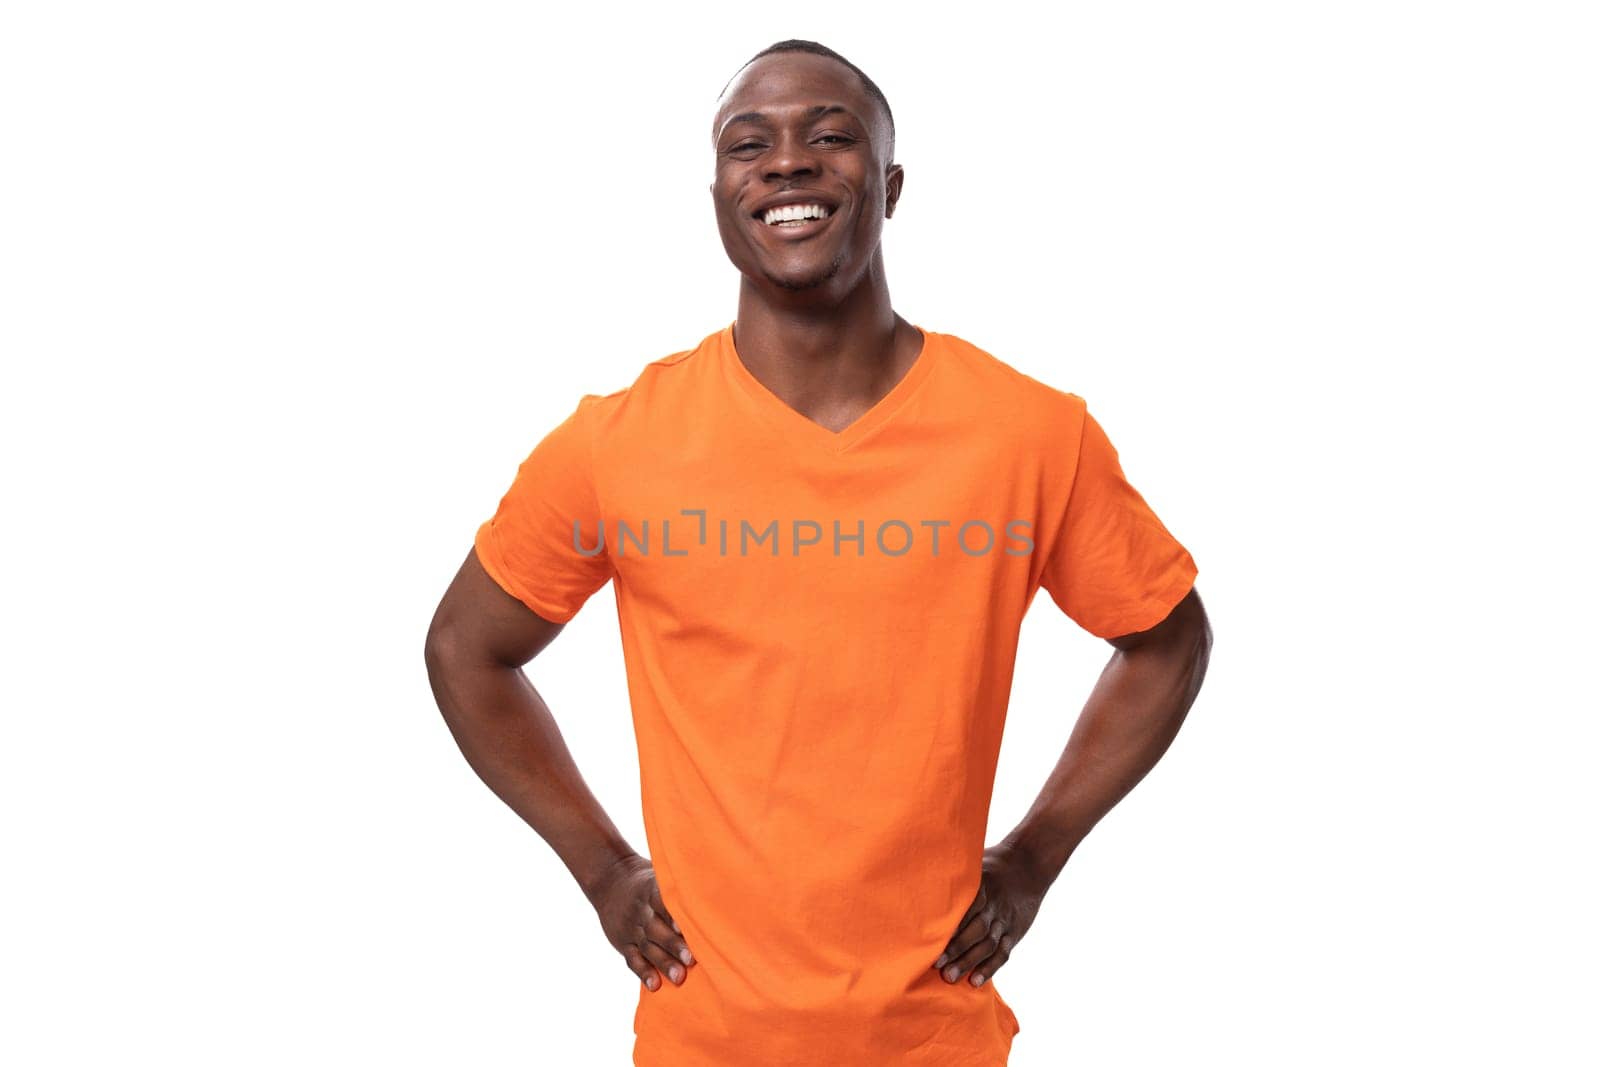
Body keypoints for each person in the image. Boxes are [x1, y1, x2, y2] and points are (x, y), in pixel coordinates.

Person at [423, 38, 1213, 1067]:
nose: (787, 161)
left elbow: (1165, 635)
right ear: (718, 195)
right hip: (701, 1040)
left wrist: (1032, 856)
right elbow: (465, 648)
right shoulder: (615, 444)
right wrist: (604, 868)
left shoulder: (1027, 433)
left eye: (829, 136)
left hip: (936, 1039)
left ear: (889, 185)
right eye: (748, 144)